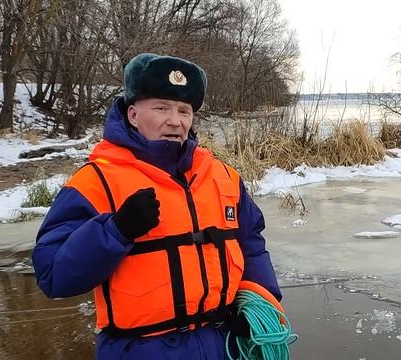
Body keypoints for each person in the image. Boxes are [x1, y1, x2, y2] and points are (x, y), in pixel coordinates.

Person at [31, 53, 282, 359]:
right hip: (139, 350)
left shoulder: (223, 177)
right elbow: (53, 274)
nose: (175, 121)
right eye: (161, 108)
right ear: (133, 114)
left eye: (184, 111)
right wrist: (116, 231)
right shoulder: (94, 181)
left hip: (222, 345)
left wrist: (259, 300)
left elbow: (252, 246)